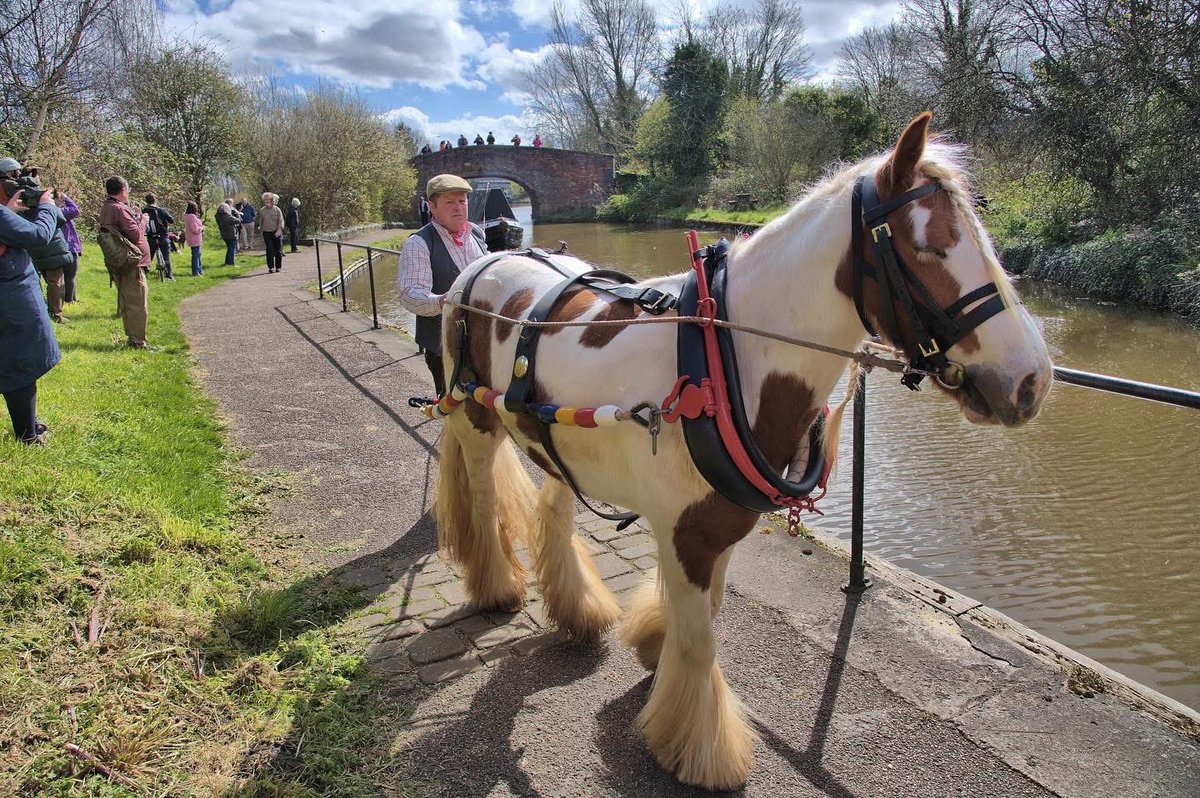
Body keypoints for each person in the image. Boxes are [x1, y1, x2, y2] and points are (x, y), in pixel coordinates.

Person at [397, 174, 486, 396]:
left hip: (483, 342)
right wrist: (441, 301)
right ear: (432, 207)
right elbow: (410, 295)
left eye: (462, 201)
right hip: (445, 348)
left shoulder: (476, 233)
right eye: (449, 202)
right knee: (455, 414)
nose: (458, 208)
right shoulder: (418, 243)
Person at [0, 167, 61, 445]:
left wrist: (8, 211)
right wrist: (47, 207)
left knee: (16, 361)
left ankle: (28, 424)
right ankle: (27, 435)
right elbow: (38, 236)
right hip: (10, 297)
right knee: (21, 362)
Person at [2, 162, 71, 323]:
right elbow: (60, 219)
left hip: (26, 245)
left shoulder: (13, 192)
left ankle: (39, 307)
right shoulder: (38, 195)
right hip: (50, 244)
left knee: (34, 279)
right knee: (55, 282)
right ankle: (56, 313)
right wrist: (48, 205)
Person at [98, 175, 152, 349]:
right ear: (123, 189)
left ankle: (133, 338)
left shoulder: (108, 207)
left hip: (120, 261)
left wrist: (133, 215)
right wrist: (143, 219)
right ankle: (138, 342)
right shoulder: (119, 209)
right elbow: (136, 235)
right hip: (130, 263)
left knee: (128, 302)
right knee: (137, 303)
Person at [56, 191, 82, 302]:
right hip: (69, 247)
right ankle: (69, 300)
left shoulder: (48, 211)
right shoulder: (60, 211)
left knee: (68, 276)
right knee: (70, 275)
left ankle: (72, 299)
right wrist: (66, 198)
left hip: (63, 246)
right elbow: (75, 210)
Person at [142, 193, 175, 280]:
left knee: (149, 256)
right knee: (166, 257)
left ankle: (144, 273)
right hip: (162, 236)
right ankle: (169, 276)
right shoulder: (160, 210)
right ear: (155, 200)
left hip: (151, 237)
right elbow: (171, 220)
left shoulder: (144, 211)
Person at [258, 192, 284, 273]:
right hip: (266, 232)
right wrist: (261, 231)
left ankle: (278, 267)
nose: (266, 201)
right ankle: (271, 267)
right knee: (269, 250)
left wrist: (279, 230)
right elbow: (261, 222)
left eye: (268, 199)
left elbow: (281, 221)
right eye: (265, 200)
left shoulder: (277, 210)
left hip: (276, 232)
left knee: (278, 251)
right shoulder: (262, 210)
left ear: (271, 200)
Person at [214, 198, 240, 265]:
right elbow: (238, 220)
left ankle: (227, 262)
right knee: (232, 249)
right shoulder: (227, 216)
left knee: (229, 248)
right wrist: (237, 214)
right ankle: (231, 263)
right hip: (231, 234)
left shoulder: (218, 217)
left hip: (224, 234)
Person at [184, 201, 204, 275]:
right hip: (194, 238)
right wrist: (202, 228)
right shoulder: (192, 217)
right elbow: (195, 229)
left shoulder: (187, 216)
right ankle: (195, 271)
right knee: (196, 255)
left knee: (197, 254)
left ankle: (199, 270)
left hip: (191, 238)